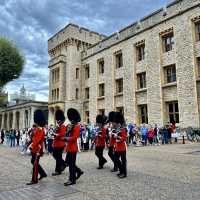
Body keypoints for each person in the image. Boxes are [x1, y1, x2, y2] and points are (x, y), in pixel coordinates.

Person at [26, 110, 47, 185]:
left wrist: (31, 147)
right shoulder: (38, 129)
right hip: (36, 148)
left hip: (37, 149)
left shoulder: (40, 129)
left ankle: (34, 180)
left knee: (35, 163)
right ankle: (43, 173)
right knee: (33, 161)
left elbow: (36, 140)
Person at [64, 108, 84, 186]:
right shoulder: (71, 126)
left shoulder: (77, 126)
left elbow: (75, 137)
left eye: (72, 119)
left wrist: (66, 138)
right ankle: (78, 171)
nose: (71, 121)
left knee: (71, 165)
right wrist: (67, 133)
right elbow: (67, 134)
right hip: (69, 147)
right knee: (68, 163)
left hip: (73, 148)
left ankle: (72, 180)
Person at [112, 112, 127, 178]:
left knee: (123, 161)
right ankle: (121, 171)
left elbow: (124, 138)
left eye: (117, 122)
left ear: (119, 122)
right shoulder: (117, 129)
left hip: (122, 147)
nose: (115, 124)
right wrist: (113, 136)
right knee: (116, 159)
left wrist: (117, 137)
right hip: (117, 147)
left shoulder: (123, 129)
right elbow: (114, 137)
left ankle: (124, 173)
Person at [52, 109, 67, 176]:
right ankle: (64, 164)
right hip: (56, 143)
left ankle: (58, 171)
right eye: (57, 120)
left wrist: (56, 135)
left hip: (60, 144)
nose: (57, 121)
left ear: (61, 120)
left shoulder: (63, 126)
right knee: (56, 155)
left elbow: (63, 134)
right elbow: (55, 133)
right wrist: (54, 132)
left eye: (58, 120)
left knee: (58, 157)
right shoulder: (57, 126)